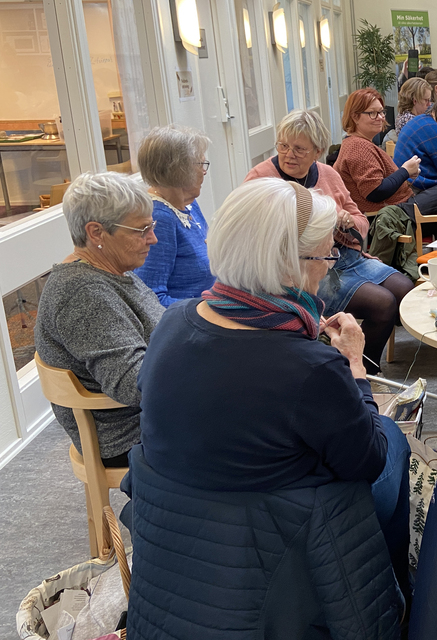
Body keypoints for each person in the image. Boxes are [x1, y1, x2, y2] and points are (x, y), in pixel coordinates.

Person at [136, 178, 411, 609]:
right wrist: (355, 367)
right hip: (281, 546)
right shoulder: (311, 368)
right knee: (392, 440)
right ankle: (393, 598)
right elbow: (368, 460)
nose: (329, 267)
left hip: (176, 535)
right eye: (326, 255)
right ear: (286, 264)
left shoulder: (174, 321)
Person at [246, 109, 410, 374]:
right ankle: (360, 373)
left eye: (299, 149)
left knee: (404, 289)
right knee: (383, 303)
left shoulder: (328, 174)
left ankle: (360, 367)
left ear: (318, 151)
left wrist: (348, 221)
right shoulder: (261, 178)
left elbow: (362, 222)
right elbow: (254, 236)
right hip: (303, 268)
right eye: (283, 146)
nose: (288, 154)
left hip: (346, 256)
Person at [34, 172, 163, 467]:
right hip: (128, 435)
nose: (152, 238)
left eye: (151, 226)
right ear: (96, 233)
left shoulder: (111, 271)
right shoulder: (83, 294)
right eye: (141, 230)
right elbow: (134, 384)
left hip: (149, 417)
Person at [336, 87, 437, 217]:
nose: (380, 117)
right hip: (393, 215)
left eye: (381, 112)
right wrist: (405, 171)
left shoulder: (357, 143)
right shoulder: (358, 147)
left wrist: (407, 175)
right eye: (372, 113)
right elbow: (375, 192)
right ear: (355, 117)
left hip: (398, 206)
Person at [133, 126, 214, 305]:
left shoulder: (188, 203)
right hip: (189, 317)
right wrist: (207, 310)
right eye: (200, 164)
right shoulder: (160, 219)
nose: (204, 171)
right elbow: (152, 299)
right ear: (180, 171)